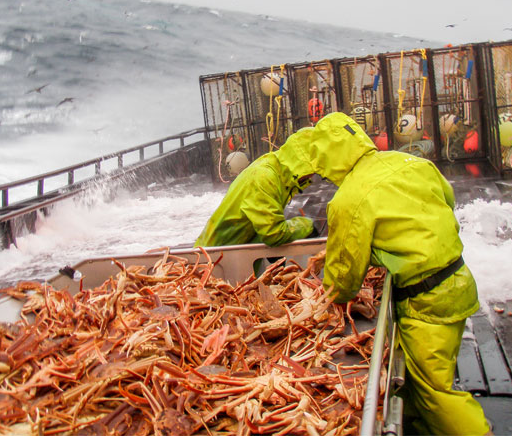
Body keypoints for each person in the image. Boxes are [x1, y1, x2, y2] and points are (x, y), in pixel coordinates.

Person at [309, 112, 491, 436]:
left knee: (436, 391)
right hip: (459, 279)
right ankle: (421, 429)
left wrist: (325, 303)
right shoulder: (409, 162)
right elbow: (447, 199)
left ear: (325, 158)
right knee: (417, 377)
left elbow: (343, 276)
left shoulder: (348, 199)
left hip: (428, 301)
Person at [195, 127, 316, 248]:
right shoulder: (264, 177)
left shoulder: (277, 171)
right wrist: (307, 226)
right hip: (214, 258)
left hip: (232, 252)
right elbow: (273, 234)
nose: (315, 174)